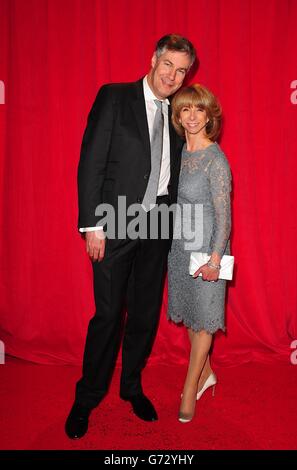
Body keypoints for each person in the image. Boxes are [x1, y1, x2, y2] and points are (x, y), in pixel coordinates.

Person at [65, 34, 196, 439]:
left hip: (158, 223)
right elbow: (91, 163)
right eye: (168, 65)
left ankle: (131, 387)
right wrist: (93, 225)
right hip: (115, 220)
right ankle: (86, 398)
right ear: (154, 59)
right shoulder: (115, 97)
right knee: (107, 315)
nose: (173, 76)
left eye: (181, 70)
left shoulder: (179, 111)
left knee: (143, 313)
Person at [167, 84, 232, 423]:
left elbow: (225, 217)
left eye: (199, 110)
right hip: (180, 245)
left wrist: (215, 260)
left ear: (209, 116)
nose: (192, 117)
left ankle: (191, 386)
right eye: (185, 110)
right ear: (178, 116)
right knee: (191, 315)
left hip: (208, 247)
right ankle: (207, 372)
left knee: (205, 320)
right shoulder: (178, 152)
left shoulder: (215, 159)